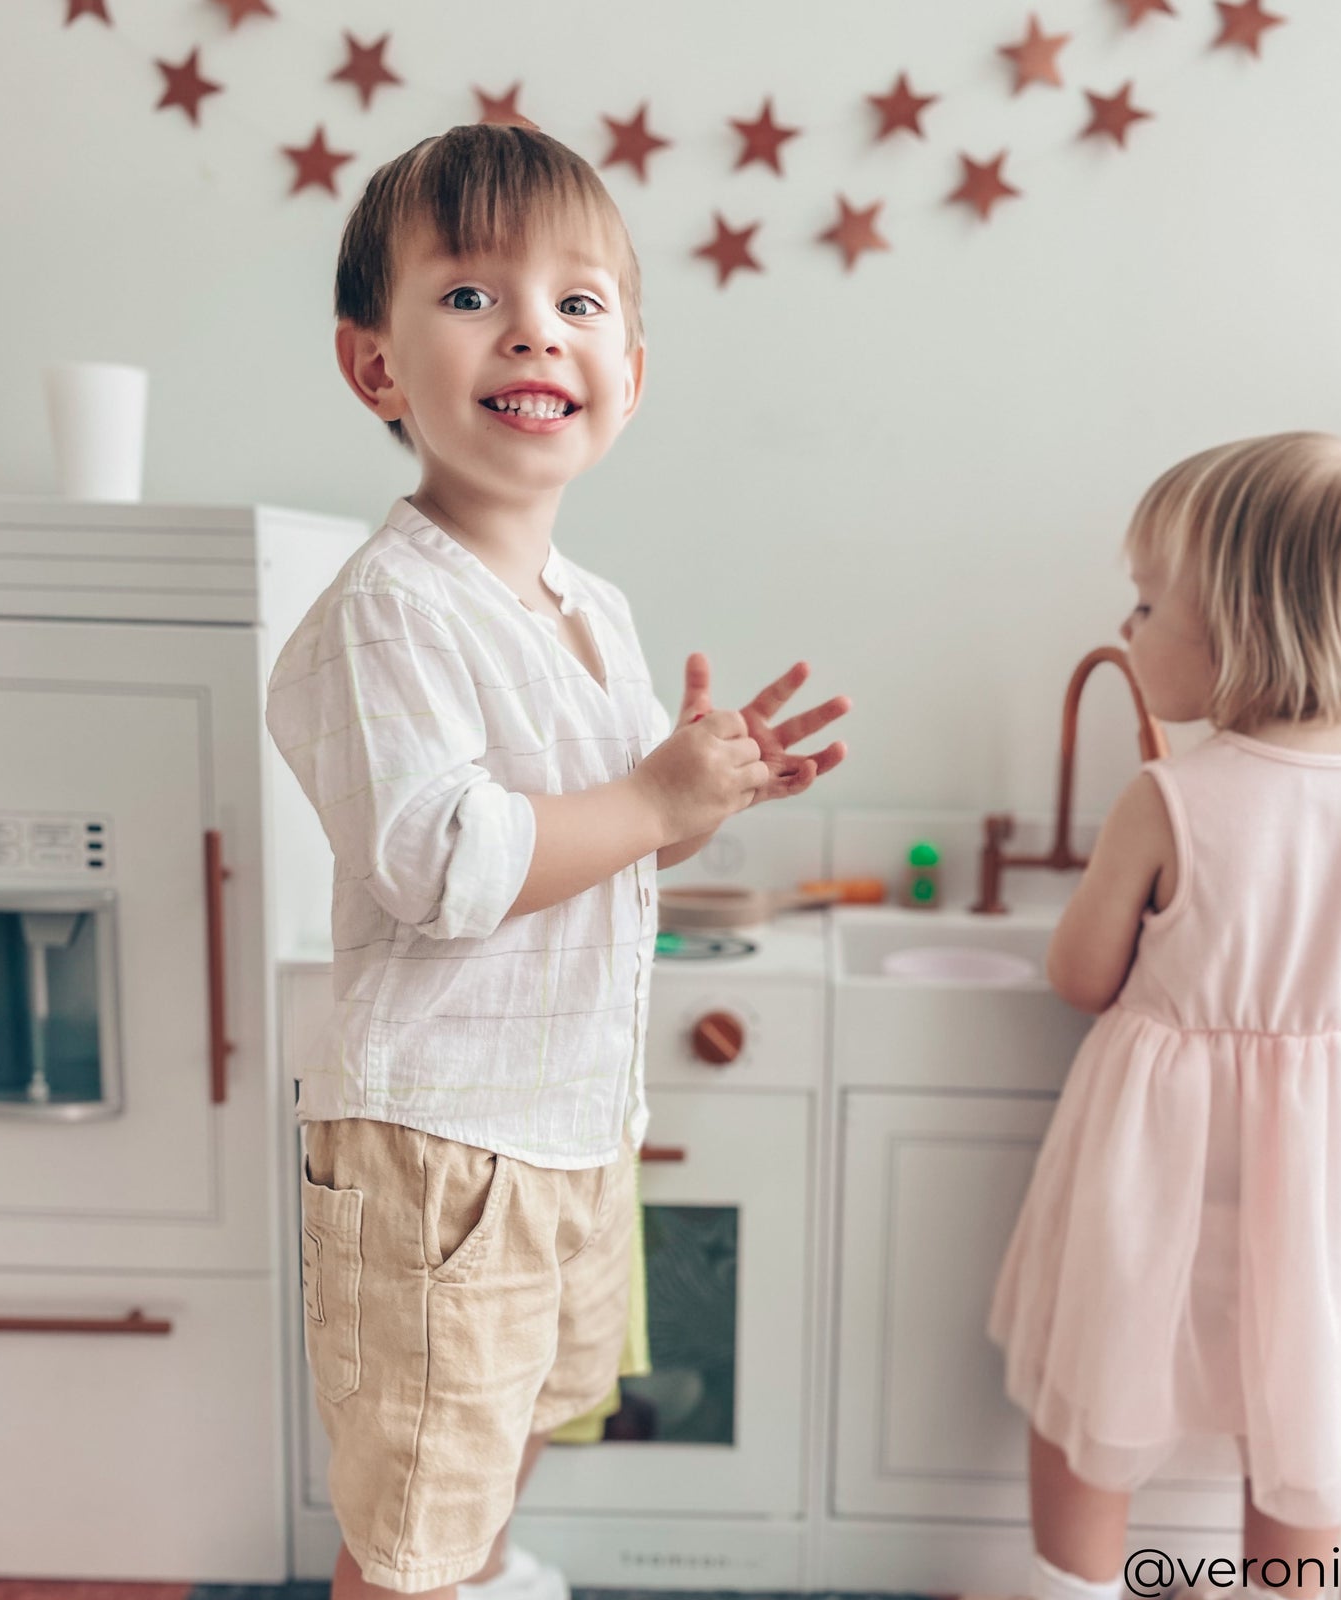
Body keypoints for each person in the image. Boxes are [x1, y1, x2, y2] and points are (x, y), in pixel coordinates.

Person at [266, 122, 849, 1600]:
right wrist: (655, 798)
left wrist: (709, 792)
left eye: (580, 303)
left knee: (517, 1417)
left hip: (568, 1121)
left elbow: (610, 837)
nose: (535, 326)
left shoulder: (593, 606)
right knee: (414, 1513)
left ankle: (482, 1579)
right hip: (443, 1148)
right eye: (471, 296)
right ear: (376, 367)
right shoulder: (388, 610)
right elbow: (447, 865)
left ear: (630, 376)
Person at [988, 432, 1341, 1600]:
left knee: (1089, 1386)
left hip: (1161, 1178)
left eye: (1147, 605)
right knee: (1298, 1417)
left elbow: (1080, 972)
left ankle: (1072, 1588)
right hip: (1323, 1193)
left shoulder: (1168, 797)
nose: (1125, 629)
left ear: (1243, 630)